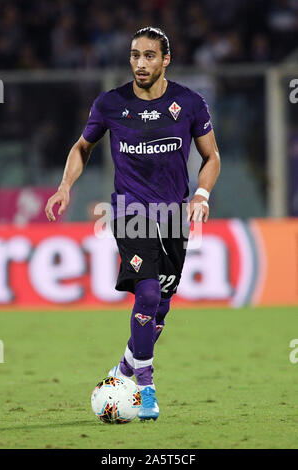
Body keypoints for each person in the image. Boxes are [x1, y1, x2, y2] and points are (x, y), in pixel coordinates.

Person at [45, 26, 221, 421]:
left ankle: (125, 366)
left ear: (165, 60)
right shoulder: (110, 104)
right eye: (134, 55)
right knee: (146, 294)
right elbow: (82, 147)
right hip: (129, 213)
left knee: (160, 307)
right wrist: (64, 186)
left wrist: (201, 195)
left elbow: (211, 157)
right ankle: (145, 386)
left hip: (174, 216)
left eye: (149, 56)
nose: (140, 63)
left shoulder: (189, 104)